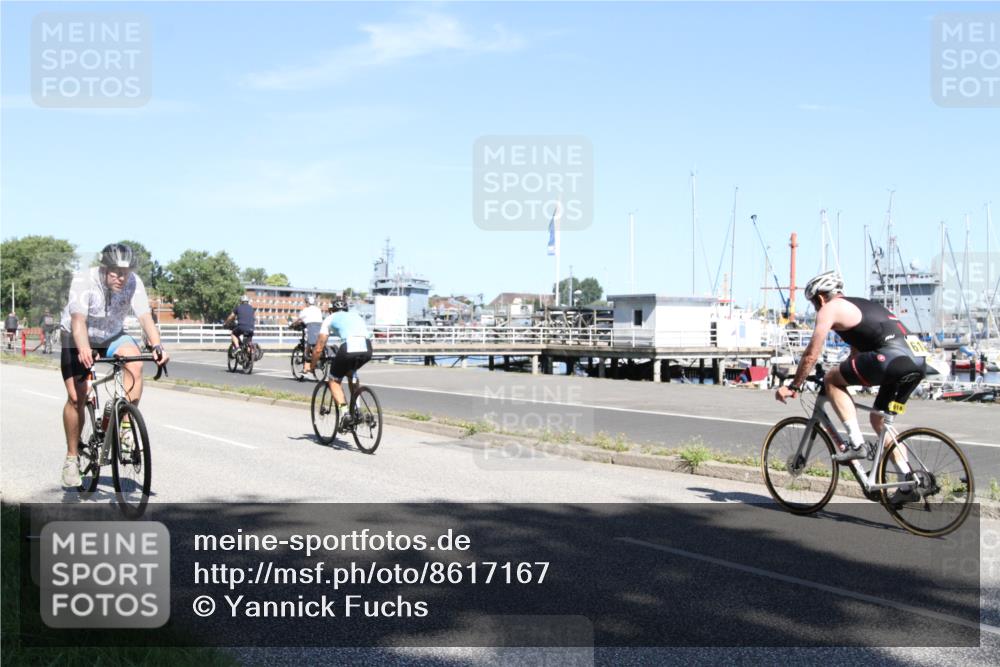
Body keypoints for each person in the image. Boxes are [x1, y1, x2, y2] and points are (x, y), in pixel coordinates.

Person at [774, 271, 926, 496]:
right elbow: (857, 356)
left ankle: (856, 445)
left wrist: (795, 385)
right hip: (916, 362)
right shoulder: (862, 307)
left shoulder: (830, 308)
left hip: (893, 359)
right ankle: (907, 482)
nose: (816, 308)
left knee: (832, 380)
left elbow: (812, 352)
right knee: (879, 420)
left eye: (814, 302)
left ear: (822, 297)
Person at [59, 243, 168, 487]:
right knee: (77, 397)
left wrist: (158, 345)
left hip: (111, 335)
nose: (121, 278)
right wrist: (84, 348)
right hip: (78, 335)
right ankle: (71, 457)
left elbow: (144, 317)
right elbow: (77, 321)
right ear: (104, 268)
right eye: (115, 272)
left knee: (136, 365)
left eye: (125, 272)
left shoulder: (133, 282)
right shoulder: (83, 281)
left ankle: (124, 424)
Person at [310, 298, 373, 428]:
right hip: (367, 347)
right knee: (351, 373)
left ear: (330, 310)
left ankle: (345, 415)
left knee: (333, 380)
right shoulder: (355, 316)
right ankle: (357, 410)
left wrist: (312, 365)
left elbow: (319, 347)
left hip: (349, 346)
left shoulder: (330, 318)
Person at [293, 295, 325, 374]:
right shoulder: (318, 309)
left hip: (311, 327)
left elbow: (299, 320)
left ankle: (306, 368)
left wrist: (293, 324)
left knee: (307, 345)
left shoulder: (306, 310)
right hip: (320, 328)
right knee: (316, 344)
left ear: (307, 302)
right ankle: (315, 362)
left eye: (306, 302)